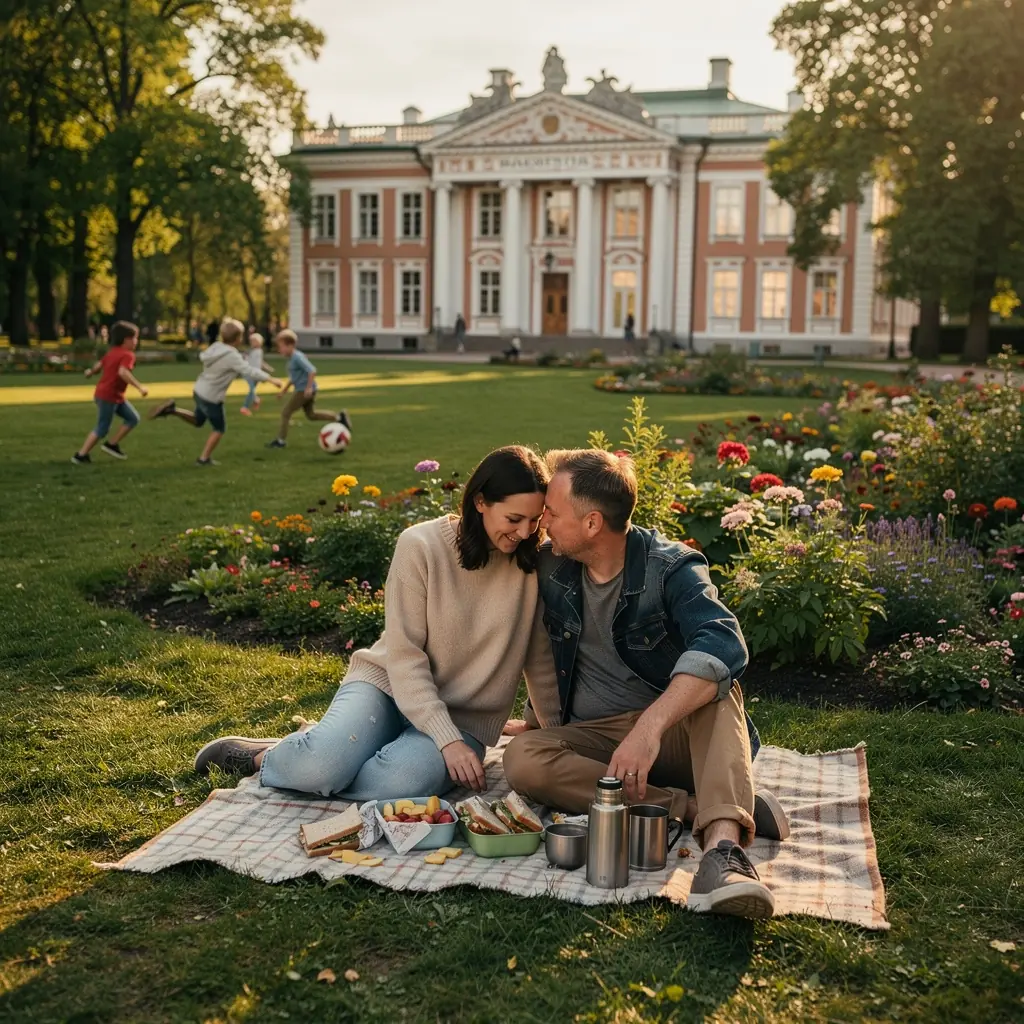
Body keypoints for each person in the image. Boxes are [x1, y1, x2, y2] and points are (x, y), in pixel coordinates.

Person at [502, 448, 789, 919]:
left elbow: (724, 644)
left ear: (592, 523)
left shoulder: (671, 567)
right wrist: (536, 720)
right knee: (523, 760)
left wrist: (649, 728)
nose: (542, 523)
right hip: (600, 745)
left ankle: (723, 859)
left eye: (552, 513)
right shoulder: (554, 566)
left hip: (676, 741)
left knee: (719, 692)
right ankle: (701, 807)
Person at [193, 446, 563, 801]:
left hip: (463, 717)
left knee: (399, 783)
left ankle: (330, 754)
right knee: (320, 768)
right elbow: (404, 655)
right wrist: (445, 742)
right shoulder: (421, 546)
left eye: (535, 520)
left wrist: (553, 731)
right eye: (514, 519)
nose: (525, 532)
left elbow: (541, 657)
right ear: (480, 501)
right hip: (387, 687)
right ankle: (269, 758)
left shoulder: (533, 565)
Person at [148, 317, 283, 466]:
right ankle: (203, 459)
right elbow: (248, 370)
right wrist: (271, 379)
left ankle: (172, 410)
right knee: (219, 428)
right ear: (238, 338)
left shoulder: (216, 347)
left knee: (198, 421)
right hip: (212, 397)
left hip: (199, 391)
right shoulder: (231, 355)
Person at [71, 320, 148, 464]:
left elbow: (99, 365)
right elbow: (123, 372)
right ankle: (80, 455)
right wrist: (139, 387)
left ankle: (112, 444)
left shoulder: (112, 352)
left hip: (112, 396)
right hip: (108, 396)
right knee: (102, 428)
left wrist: (89, 372)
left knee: (133, 418)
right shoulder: (128, 355)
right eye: (135, 338)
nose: (136, 341)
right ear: (126, 340)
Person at [266, 329, 350, 448]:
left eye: (281, 346)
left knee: (286, 413)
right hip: (305, 389)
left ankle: (280, 441)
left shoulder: (297, 357)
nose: (279, 350)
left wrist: (308, 388)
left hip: (303, 391)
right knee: (311, 415)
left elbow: (312, 370)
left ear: (290, 345)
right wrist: (283, 391)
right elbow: (293, 378)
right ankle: (338, 417)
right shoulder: (292, 359)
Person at [239, 332, 271, 416]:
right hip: (249, 373)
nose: (252, 343)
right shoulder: (249, 351)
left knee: (252, 391)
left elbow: (260, 362)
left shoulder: (259, 351)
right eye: (251, 341)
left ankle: (256, 400)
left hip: (257, 374)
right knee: (252, 389)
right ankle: (245, 407)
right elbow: (244, 359)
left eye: (254, 341)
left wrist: (268, 368)